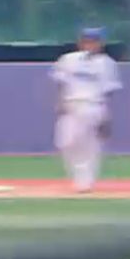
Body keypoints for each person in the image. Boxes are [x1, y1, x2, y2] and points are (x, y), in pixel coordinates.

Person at [51, 27, 120, 192]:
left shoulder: (107, 63)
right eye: (87, 40)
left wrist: (106, 116)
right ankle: (80, 175)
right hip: (71, 104)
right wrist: (61, 101)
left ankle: (85, 181)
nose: (90, 44)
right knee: (65, 142)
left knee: (90, 144)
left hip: (93, 105)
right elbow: (61, 82)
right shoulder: (68, 59)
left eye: (94, 41)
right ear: (80, 42)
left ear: (101, 43)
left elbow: (108, 91)